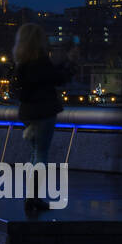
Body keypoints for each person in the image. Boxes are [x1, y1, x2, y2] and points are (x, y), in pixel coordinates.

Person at [12, 24, 79, 203]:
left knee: (35, 153)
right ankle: (34, 197)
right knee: (41, 154)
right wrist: (71, 63)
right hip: (44, 112)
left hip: (27, 113)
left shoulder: (21, 64)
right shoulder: (40, 61)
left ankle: (32, 196)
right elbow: (58, 78)